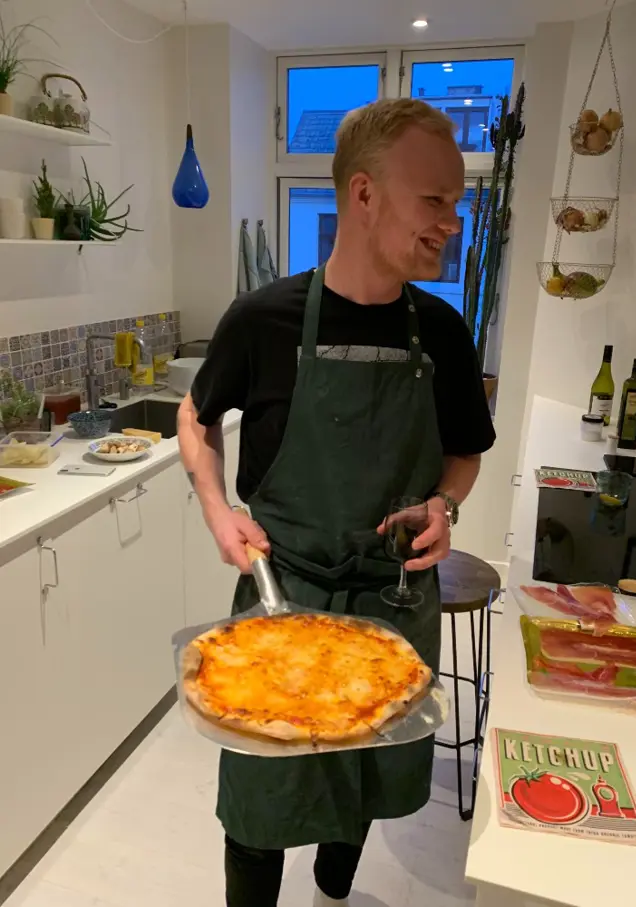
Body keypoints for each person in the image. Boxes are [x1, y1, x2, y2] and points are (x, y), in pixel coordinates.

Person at [178, 98, 496, 907]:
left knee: (358, 790)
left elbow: (464, 452)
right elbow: (196, 415)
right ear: (363, 195)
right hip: (283, 607)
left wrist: (444, 503)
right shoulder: (262, 320)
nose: (451, 222)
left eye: (456, 204)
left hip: (393, 607)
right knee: (257, 804)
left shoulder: (446, 334)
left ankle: (331, 892)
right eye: (436, 201)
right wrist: (219, 510)